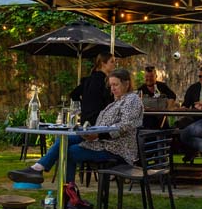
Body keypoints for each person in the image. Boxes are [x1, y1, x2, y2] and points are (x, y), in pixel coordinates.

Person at [9, 68, 143, 184]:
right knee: (64, 139)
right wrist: (89, 132)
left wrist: (98, 134)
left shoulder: (132, 99)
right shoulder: (116, 101)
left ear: (126, 84)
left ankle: (65, 192)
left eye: (116, 85)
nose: (112, 89)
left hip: (118, 148)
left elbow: (124, 126)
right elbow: (103, 125)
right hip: (102, 141)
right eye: (111, 85)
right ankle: (38, 169)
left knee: (70, 152)